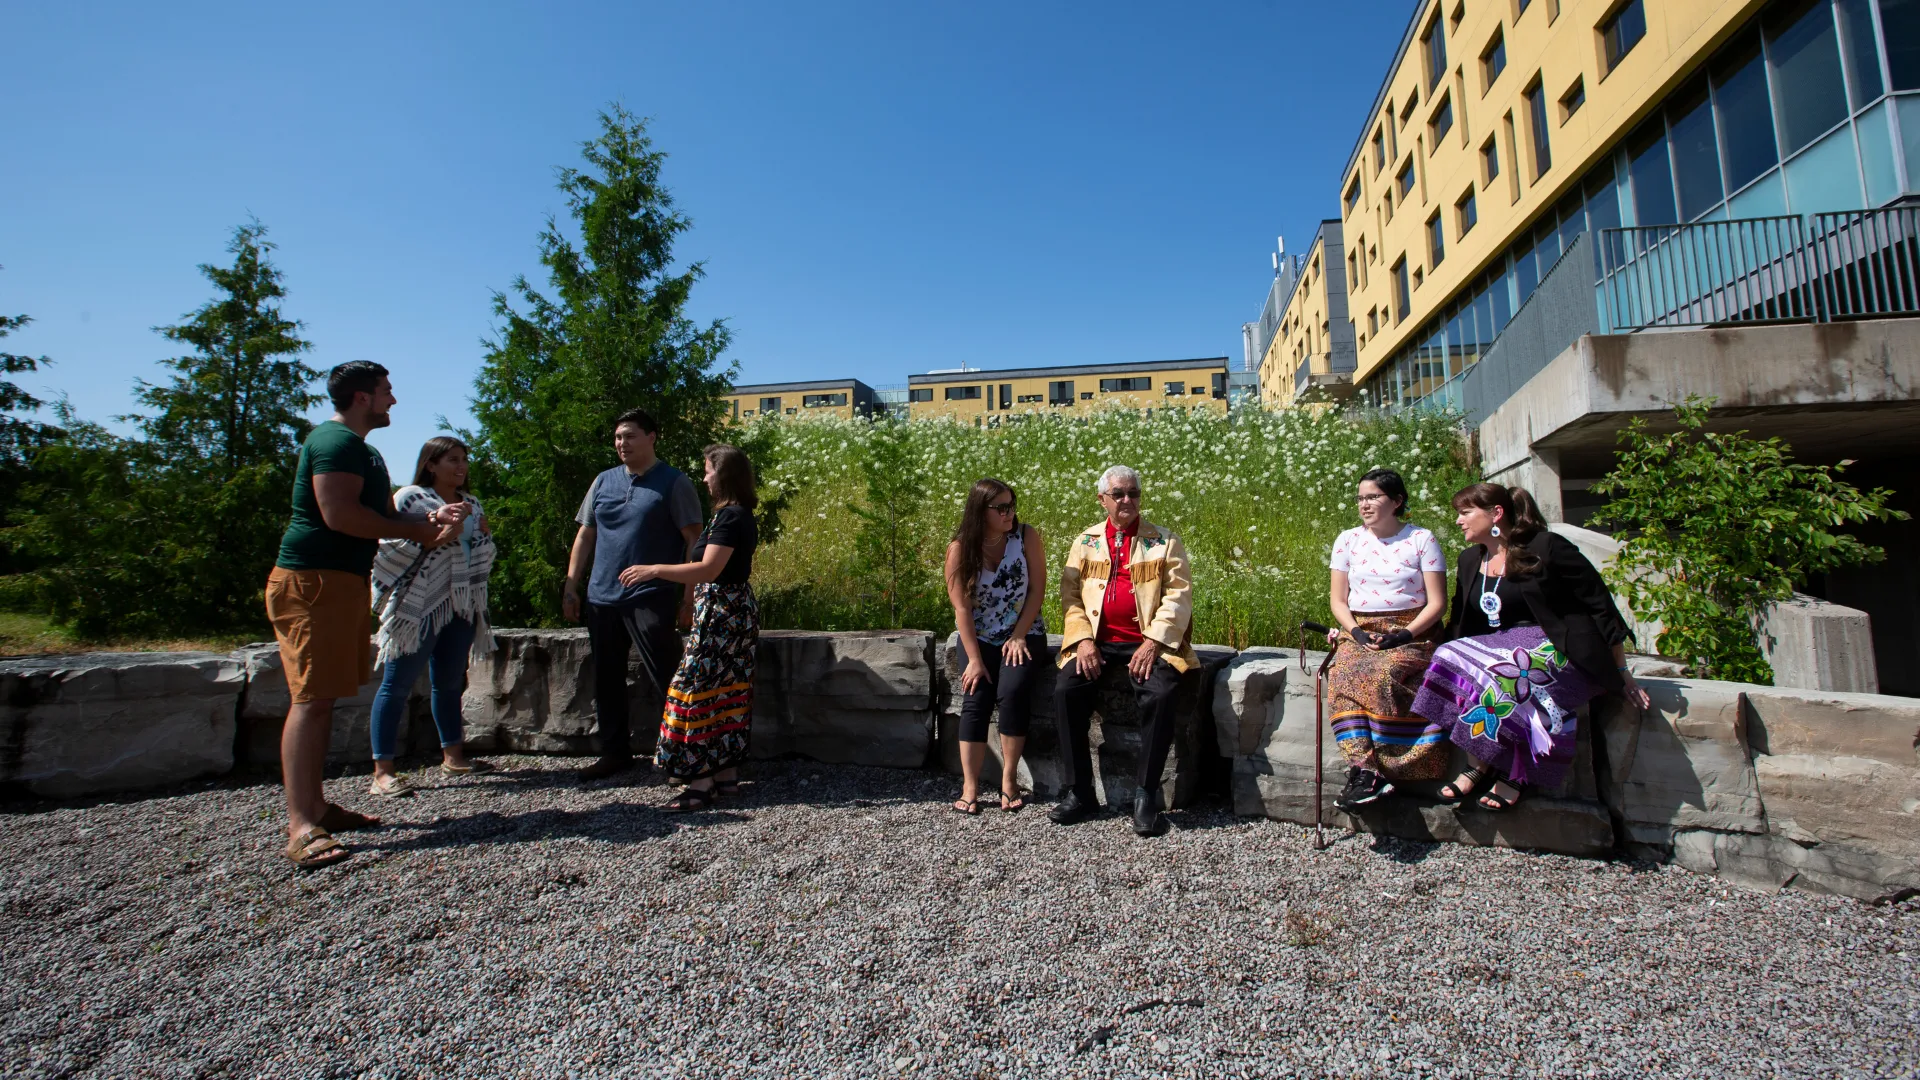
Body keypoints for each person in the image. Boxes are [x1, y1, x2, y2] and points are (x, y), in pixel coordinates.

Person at [267, 361, 464, 869]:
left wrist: (429, 517)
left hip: (339, 582)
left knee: (324, 696)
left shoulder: (362, 451)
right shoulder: (334, 444)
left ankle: (316, 806)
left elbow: (380, 517)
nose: (393, 400)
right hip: (313, 581)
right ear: (361, 398)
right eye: (386, 391)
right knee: (310, 699)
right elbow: (339, 515)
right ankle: (302, 825)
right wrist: (423, 532)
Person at [1411, 482, 1652, 812]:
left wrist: (1621, 671)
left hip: (1554, 647)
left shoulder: (1546, 547)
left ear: (1496, 513)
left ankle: (1516, 772)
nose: (1458, 521)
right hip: (1500, 647)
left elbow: (1599, 604)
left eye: (1465, 513)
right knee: (1450, 655)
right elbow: (1460, 622)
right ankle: (1480, 758)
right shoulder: (1471, 560)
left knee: (1506, 673)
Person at [1049, 465, 1198, 837]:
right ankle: (1079, 792)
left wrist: (1152, 642)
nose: (1127, 500)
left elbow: (1179, 597)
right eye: (1119, 494)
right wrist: (1083, 640)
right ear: (1103, 500)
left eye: (1133, 493)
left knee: (1161, 694)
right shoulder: (1085, 542)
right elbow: (1070, 597)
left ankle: (1146, 796)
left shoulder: (1164, 542)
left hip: (1149, 642)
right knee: (1066, 692)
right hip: (1096, 642)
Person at [563, 408, 703, 783]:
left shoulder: (674, 483)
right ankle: (614, 753)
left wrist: (688, 599)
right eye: (618, 437)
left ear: (652, 437)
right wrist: (571, 584)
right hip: (602, 597)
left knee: (668, 678)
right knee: (606, 679)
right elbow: (586, 535)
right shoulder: (603, 481)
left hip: (651, 595)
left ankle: (682, 756)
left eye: (630, 436)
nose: (622, 443)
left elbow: (694, 541)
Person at [619, 445, 761, 812]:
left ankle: (700, 783)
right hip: (731, 612)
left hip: (722, 614)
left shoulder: (731, 517)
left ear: (723, 474)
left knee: (695, 691)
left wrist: (654, 570)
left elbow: (709, 570)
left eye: (708, 470)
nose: (704, 477)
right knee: (726, 689)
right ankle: (725, 776)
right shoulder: (734, 515)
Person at [364, 436, 497, 796]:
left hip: (462, 603)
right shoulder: (410, 498)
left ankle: (454, 756)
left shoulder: (471, 502)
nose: (461, 467)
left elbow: (482, 552)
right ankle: (383, 770)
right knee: (397, 684)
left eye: (464, 460)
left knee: (450, 682)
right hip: (418, 605)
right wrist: (438, 536)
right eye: (452, 459)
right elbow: (389, 547)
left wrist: (484, 537)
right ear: (431, 464)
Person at [1324, 467, 1449, 811]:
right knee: (1342, 672)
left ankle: (1392, 766)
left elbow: (1438, 603)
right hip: (1360, 630)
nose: (1364, 504)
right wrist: (1357, 633)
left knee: (1383, 674)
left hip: (1413, 632)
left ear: (1396, 501)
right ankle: (1364, 771)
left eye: (1373, 497)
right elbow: (1338, 600)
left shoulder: (1421, 539)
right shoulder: (1347, 540)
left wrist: (1404, 634)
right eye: (1360, 498)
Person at [944, 478, 1047, 815]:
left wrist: (1018, 635)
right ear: (981, 511)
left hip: (1023, 630)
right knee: (975, 696)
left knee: (1013, 691)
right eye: (1001, 508)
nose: (1010, 513)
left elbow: (1036, 592)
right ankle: (970, 786)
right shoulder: (960, 549)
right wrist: (973, 659)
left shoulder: (1026, 536)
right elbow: (961, 609)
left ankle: (1008, 780)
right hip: (980, 635)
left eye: (1012, 505)